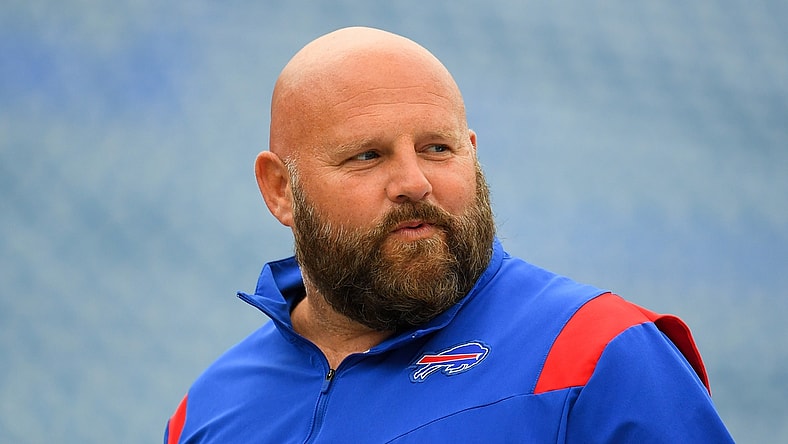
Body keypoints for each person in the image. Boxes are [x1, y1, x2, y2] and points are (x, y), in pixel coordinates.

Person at [164, 26, 733, 443]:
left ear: (473, 155)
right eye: (367, 156)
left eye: (438, 148)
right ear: (280, 190)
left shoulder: (598, 355)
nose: (414, 182)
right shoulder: (208, 412)